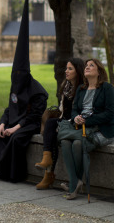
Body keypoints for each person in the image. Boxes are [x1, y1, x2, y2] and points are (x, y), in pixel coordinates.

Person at [0, 0, 48, 183]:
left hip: (29, 124)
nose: (16, 78)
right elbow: (10, 108)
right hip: (14, 121)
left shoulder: (38, 92)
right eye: (14, 75)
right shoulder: (15, 87)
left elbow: (34, 116)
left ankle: (14, 174)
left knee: (16, 139)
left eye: (20, 75)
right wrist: (2, 124)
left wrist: (15, 128)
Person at [60, 58, 114, 200]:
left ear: (99, 71)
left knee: (77, 144)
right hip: (82, 129)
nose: (87, 67)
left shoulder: (106, 88)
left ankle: (73, 185)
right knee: (65, 142)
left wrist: (86, 121)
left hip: (103, 130)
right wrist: (76, 118)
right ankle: (76, 182)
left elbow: (109, 113)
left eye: (91, 65)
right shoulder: (81, 89)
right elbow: (75, 109)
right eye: (86, 65)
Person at [34, 57, 85, 190]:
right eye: (66, 68)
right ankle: (47, 165)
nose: (66, 71)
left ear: (78, 71)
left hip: (75, 124)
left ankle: (48, 171)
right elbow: (62, 109)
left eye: (70, 69)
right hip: (63, 121)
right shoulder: (66, 86)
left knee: (51, 127)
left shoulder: (82, 89)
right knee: (52, 132)